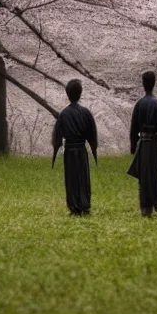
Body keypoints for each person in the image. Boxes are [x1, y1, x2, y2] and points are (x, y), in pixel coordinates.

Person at [127, 71, 157, 217]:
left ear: (143, 84)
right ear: (154, 83)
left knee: (143, 175)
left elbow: (133, 128)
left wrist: (133, 146)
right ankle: (154, 204)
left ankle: (144, 207)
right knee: (153, 175)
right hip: (154, 145)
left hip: (143, 144)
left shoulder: (139, 104)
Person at [51, 79, 98, 216]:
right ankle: (85, 204)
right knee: (83, 177)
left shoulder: (64, 114)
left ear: (67, 94)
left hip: (69, 151)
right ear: (80, 93)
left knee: (71, 179)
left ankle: (74, 206)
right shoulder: (85, 112)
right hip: (81, 150)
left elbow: (57, 137)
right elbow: (92, 134)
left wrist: (55, 151)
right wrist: (94, 149)